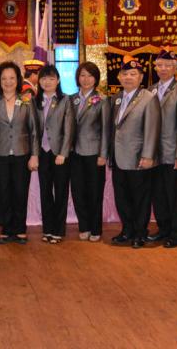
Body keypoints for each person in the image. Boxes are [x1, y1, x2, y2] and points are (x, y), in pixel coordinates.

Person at [0, 61, 39, 245]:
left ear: (18, 80)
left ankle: (20, 229)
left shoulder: (27, 101)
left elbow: (34, 130)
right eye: (4, 78)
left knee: (20, 192)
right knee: (2, 192)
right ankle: (6, 229)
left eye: (12, 78)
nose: (8, 82)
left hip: (22, 153)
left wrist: (34, 155)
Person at [109, 56, 161, 249]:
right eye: (125, 74)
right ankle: (127, 230)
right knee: (122, 197)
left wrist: (148, 155)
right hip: (118, 157)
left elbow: (152, 129)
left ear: (140, 78)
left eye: (133, 74)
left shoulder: (148, 98)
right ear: (119, 77)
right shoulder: (116, 98)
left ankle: (140, 232)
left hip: (139, 157)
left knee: (140, 199)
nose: (128, 77)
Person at [147, 48, 177, 248]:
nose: (163, 69)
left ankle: (176, 232)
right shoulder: (150, 90)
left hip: (173, 153)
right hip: (153, 154)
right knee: (158, 194)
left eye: (167, 65)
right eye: (160, 65)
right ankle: (163, 228)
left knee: (174, 195)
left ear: (175, 68)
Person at [70, 61, 109, 242]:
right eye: (82, 75)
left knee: (94, 192)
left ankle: (95, 228)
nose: (86, 79)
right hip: (74, 153)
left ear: (96, 78)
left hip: (94, 153)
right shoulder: (71, 99)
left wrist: (103, 154)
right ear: (78, 77)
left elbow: (106, 129)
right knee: (78, 192)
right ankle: (84, 226)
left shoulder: (102, 99)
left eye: (90, 76)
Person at [35, 65, 75, 244]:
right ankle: (48, 229)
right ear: (39, 81)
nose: (47, 82)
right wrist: (34, 153)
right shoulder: (34, 101)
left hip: (59, 154)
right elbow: (33, 129)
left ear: (58, 81)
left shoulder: (65, 100)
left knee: (60, 192)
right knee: (45, 193)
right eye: (44, 78)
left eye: (51, 78)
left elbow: (69, 128)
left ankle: (58, 230)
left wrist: (63, 153)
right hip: (42, 153)